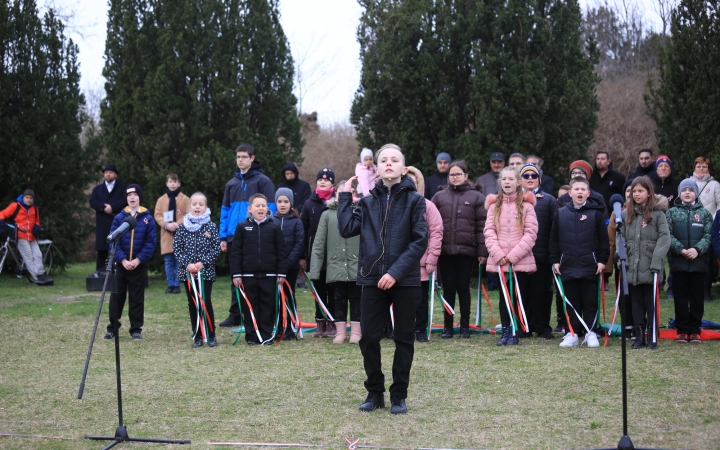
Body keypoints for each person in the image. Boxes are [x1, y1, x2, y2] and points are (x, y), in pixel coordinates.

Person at [337, 143, 427, 415]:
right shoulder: (366, 201)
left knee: (403, 338)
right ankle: (374, 392)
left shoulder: (415, 201)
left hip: (405, 280)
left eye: (394, 160)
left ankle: (399, 395)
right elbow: (346, 228)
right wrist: (344, 198)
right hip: (371, 279)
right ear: (376, 168)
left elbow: (419, 241)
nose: (389, 163)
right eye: (384, 160)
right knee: (369, 338)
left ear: (403, 167)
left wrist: (395, 273)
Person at [218, 144, 276, 328]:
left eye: (244, 156)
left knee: (253, 277)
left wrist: (267, 230)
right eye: (238, 157)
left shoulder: (263, 181)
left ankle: (257, 314)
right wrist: (223, 236)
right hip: (234, 236)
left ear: (252, 158)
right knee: (236, 275)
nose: (240, 160)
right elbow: (225, 211)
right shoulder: (231, 183)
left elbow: (270, 208)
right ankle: (235, 314)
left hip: (256, 234)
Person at [550, 176, 609, 348]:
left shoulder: (596, 214)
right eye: (576, 189)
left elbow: (604, 241)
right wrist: (555, 260)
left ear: (588, 193)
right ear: (570, 193)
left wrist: (602, 260)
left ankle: (591, 332)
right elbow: (554, 240)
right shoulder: (561, 214)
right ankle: (572, 332)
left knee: (590, 301)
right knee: (571, 302)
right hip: (567, 265)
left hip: (589, 265)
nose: (580, 192)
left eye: (583, 189)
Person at [432, 160, 488, 339]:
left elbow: (482, 226)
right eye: (452, 175)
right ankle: (448, 326)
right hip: (445, 251)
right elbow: (431, 222)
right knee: (448, 288)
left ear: (466, 176)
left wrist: (482, 251)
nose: (455, 177)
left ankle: (465, 326)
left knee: (463, 288)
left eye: (458, 174)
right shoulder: (439, 197)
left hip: (466, 251)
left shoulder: (477, 197)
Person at [484, 167, 538, 345]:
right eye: (504, 179)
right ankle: (506, 330)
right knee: (503, 297)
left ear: (518, 183)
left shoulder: (527, 206)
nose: (507, 182)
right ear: (500, 182)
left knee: (518, 296)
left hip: (519, 261)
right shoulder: (493, 206)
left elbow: (530, 233)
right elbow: (489, 231)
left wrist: (513, 256)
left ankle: (516, 330)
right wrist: (499, 254)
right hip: (500, 261)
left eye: (511, 179)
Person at [230, 193, 287, 345]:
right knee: (250, 306)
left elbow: (281, 251)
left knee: (267, 306)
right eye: (257, 205)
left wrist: (281, 272)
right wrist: (236, 274)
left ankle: (266, 335)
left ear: (267, 208)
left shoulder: (274, 227)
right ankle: (252, 336)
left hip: (269, 274)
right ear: (250, 208)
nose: (261, 208)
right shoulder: (242, 227)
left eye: (263, 205)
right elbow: (235, 253)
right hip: (248, 275)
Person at [310, 181, 362, 344]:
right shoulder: (327, 214)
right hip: (336, 266)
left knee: (357, 299)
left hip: (356, 265)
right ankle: (340, 332)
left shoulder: (361, 212)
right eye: (341, 192)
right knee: (338, 299)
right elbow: (318, 243)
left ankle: (356, 332)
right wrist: (315, 270)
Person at [621, 176, 670, 349]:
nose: (636, 194)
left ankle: (652, 335)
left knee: (650, 302)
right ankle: (639, 335)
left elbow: (665, 238)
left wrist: (656, 261)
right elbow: (623, 239)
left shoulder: (658, 214)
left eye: (640, 191)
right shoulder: (626, 214)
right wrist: (623, 260)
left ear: (649, 193)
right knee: (636, 302)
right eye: (634, 191)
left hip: (651, 266)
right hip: (632, 267)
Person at [104, 184, 157, 340]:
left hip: (138, 266)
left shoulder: (148, 218)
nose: (132, 198)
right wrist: (122, 259)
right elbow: (113, 240)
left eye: (135, 195)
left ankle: (136, 329)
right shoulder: (120, 217)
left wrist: (138, 259)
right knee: (117, 297)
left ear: (139, 197)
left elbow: (150, 242)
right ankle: (112, 328)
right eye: (129, 195)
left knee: (136, 298)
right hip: (121, 265)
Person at [172, 192, 221, 348]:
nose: (197, 207)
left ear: (205, 207)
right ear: (189, 207)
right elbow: (177, 248)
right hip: (188, 272)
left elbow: (216, 249)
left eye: (201, 204)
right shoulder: (182, 227)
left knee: (205, 301)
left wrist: (202, 263)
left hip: (205, 271)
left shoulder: (211, 226)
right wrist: (188, 264)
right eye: (194, 204)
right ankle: (197, 336)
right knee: (192, 303)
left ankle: (211, 334)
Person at [669, 179, 711, 344]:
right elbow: (668, 234)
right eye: (684, 190)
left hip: (698, 264)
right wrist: (681, 249)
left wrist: (697, 249)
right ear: (679, 193)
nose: (687, 193)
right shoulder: (671, 212)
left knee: (697, 298)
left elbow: (708, 235)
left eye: (691, 190)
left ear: (696, 193)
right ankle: (682, 330)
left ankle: (694, 330)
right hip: (679, 262)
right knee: (680, 297)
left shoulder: (704, 214)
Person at [406, 166, 443, 343]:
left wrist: (431, 259)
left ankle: (421, 328)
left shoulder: (428, 206)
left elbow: (436, 232)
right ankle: (404, 328)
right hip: (401, 264)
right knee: (403, 300)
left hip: (421, 264)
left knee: (420, 301)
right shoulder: (395, 205)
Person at [520, 164, 556, 339]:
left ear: (539, 179)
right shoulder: (514, 199)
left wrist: (553, 253)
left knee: (542, 292)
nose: (529, 179)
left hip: (542, 255)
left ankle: (543, 327)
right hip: (520, 256)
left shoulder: (549, 200)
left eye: (533, 176)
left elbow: (554, 228)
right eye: (525, 176)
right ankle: (525, 326)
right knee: (523, 292)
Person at [300, 168, 337, 337]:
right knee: (319, 290)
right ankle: (320, 322)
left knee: (334, 291)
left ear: (332, 183)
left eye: (326, 180)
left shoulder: (338, 201)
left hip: (335, 255)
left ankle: (333, 322)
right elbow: (303, 231)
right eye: (320, 180)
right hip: (316, 255)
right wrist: (303, 256)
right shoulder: (309, 204)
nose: (322, 182)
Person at [0, 189, 53, 285]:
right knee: (29, 257)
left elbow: (36, 221)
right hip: (20, 236)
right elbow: (2, 214)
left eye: (31, 198)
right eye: (27, 198)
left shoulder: (34, 208)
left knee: (38, 255)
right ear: (23, 197)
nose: (28, 200)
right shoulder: (15, 206)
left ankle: (40, 275)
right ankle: (38, 277)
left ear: (33, 199)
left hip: (32, 237)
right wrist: (2, 223)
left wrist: (36, 227)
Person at [274, 188, 304, 341]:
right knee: (277, 299)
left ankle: (290, 328)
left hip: (290, 268)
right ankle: (278, 328)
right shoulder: (271, 220)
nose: (282, 205)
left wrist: (286, 264)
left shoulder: (297, 222)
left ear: (291, 203)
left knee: (289, 296)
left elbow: (299, 244)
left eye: (286, 202)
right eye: (279, 201)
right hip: (274, 268)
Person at [154, 172, 189, 294]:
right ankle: (171, 284)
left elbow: (188, 214)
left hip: (180, 233)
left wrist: (177, 223)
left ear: (179, 183)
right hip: (167, 234)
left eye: (175, 182)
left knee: (179, 261)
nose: (173, 184)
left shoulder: (185, 199)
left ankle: (178, 284)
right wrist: (166, 224)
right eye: (170, 182)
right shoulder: (161, 200)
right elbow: (157, 215)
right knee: (169, 261)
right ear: (167, 183)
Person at [89, 164, 127, 277]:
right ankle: (100, 275)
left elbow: (124, 200)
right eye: (106, 172)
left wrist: (112, 207)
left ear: (115, 174)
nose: (108, 174)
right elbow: (92, 202)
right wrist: (103, 207)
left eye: (110, 172)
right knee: (102, 250)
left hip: (117, 222)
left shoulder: (122, 188)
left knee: (118, 249)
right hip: (102, 224)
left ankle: (119, 275)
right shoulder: (98, 189)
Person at [691, 156, 720, 301]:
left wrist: (713, 222)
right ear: (694, 168)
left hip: (709, 227)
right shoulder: (689, 183)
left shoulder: (715, 184)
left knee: (707, 260)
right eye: (699, 166)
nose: (701, 169)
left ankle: (706, 290)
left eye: (704, 167)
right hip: (691, 228)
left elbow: (719, 204)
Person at [651, 155, 679, 297]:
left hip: (672, 226)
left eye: (666, 166)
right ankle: (658, 283)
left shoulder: (676, 185)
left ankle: (672, 286)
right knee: (656, 255)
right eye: (660, 166)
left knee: (672, 258)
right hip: (653, 224)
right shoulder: (650, 184)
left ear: (671, 169)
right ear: (656, 168)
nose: (663, 168)